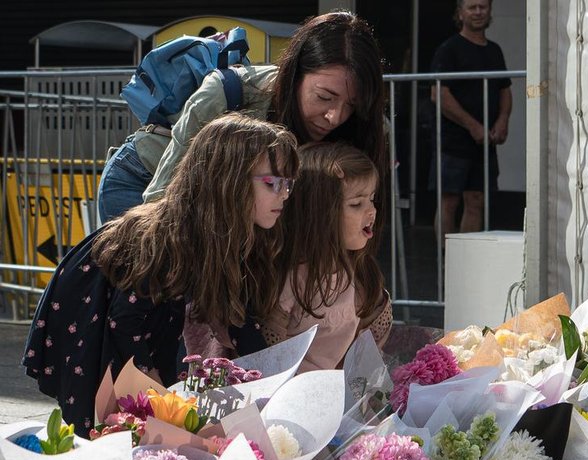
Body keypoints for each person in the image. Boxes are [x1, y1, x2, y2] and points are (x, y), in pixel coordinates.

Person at [23, 114, 298, 436]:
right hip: (96, 320)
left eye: (289, 184)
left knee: (154, 415)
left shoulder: (231, 234)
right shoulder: (173, 234)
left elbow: (239, 318)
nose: (285, 194)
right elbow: (124, 320)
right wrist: (155, 390)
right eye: (273, 183)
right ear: (228, 180)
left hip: (149, 323)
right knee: (106, 424)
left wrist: (274, 379)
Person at [97, 10, 387, 230]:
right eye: (324, 97)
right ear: (294, 74)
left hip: (221, 214)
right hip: (144, 184)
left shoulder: (364, 129)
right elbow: (159, 206)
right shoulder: (228, 92)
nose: (335, 116)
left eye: (352, 105)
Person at [185, 142, 392, 372]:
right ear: (318, 213)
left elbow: (367, 349)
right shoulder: (290, 279)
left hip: (332, 394)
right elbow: (270, 360)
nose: (372, 211)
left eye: (372, 199)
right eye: (356, 203)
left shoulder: (359, 272)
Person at [429, 0, 512, 239]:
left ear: (489, 11)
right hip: (452, 141)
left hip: (485, 143)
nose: (478, 12)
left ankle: (466, 259)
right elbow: (439, 94)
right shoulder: (449, 49)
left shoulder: (494, 50)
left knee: (476, 200)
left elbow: (505, 89)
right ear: (460, 13)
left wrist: (502, 120)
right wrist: (473, 126)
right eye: (472, 7)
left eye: (483, 7)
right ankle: (446, 261)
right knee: (449, 201)